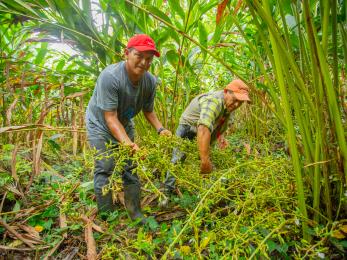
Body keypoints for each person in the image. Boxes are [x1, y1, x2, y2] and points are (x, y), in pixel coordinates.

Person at [85, 34, 171, 223]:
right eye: (139, 55)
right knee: (105, 167)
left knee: (130, 167)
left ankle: (135, 212)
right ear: (127, 53)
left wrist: (160, 129)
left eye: (149, 59)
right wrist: (129, 144)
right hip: (100, 124)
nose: (143, 62)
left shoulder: (150, 82)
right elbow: (110, 117)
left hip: (123, 122)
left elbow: (148, 111)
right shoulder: (110, 77)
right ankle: (107, 216)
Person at [161, 79, 250, 206]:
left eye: (240, 102)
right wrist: (205, 160)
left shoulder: (228, 106)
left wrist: (220, 137)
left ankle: (201, 191)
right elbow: (203, 129)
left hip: (205, 131)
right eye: (235, 99)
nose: (236, 104)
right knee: (178, 159)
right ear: (226, 92)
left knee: (206, 158)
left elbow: (220, 121)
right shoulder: (213, 101)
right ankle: (166, 193)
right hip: (188, 127)